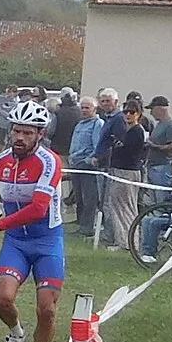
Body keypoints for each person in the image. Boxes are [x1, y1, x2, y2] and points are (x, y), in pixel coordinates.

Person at [0, 99, 65, 342]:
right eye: (16, 131)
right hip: (16, 243)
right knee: (2, 298)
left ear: (40, 135)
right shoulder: (0, 162)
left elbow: (38, 209)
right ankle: (16, 332)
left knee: (47, 309)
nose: (19, 137)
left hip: (47, 241)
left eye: (27, 133)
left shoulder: (49, 162)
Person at [103, 97, 149, 249]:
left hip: (127, 172)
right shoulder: (127, 130)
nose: (128, 115)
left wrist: (117, 145)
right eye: (126, 112)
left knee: (125, 208)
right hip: (119, 170)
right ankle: (122, 240)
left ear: (139, 114)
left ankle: (127, 242)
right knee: (117, 206)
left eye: (132, 112)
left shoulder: (137, 131)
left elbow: (128, 150)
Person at [68, 96, 106, 243]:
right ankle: (80, 223)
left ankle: (87, 227)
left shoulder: (98, 124)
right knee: (78, 196)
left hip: (87, 165)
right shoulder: (80, 124)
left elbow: (97, 145)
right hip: (75, 164)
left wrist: (88, 159)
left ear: (94, 109)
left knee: (89, 197)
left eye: (87, 108)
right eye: (82, 107)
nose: (84, 110)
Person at [146, 95, 172, 189]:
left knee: (161, 197)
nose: (150, 113)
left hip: (163, 168)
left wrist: (155, 146)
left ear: (160, 109)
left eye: (152, 109)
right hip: (153, 166)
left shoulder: (171, 125)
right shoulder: (159, 124)